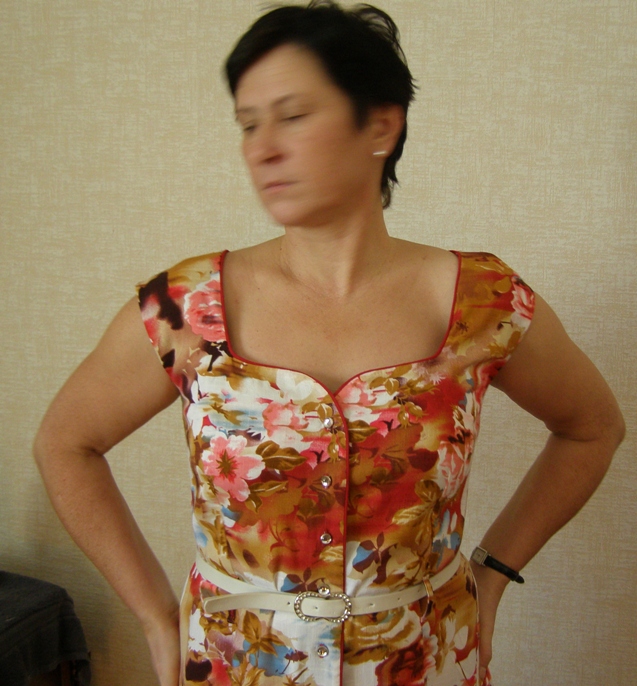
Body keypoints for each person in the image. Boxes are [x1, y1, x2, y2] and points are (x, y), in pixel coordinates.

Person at [33, 2, 624, 685]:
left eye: (292, 115)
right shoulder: (184, 308)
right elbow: (66, 444)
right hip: (236, 668)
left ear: (380, 124)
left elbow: (591, 428)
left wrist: (491, 572)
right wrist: (154, 615)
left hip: (428, 663)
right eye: (248, 124)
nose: (262, 148)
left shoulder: (482, 302)